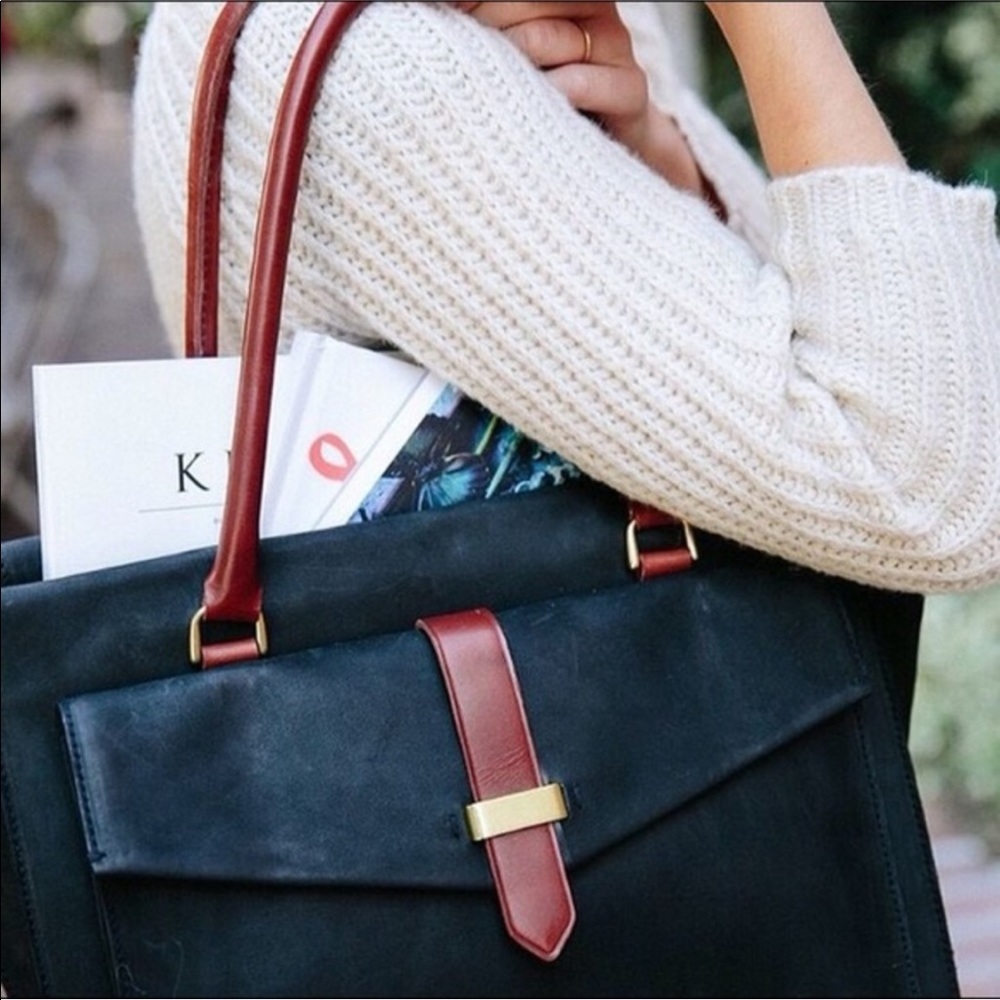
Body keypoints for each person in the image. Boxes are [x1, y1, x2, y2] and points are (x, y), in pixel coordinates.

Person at [131, 1, 1000, 594]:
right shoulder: (383, 63)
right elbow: (927, 484)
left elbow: (799, 330)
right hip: (568, 818)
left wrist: (654, 154)